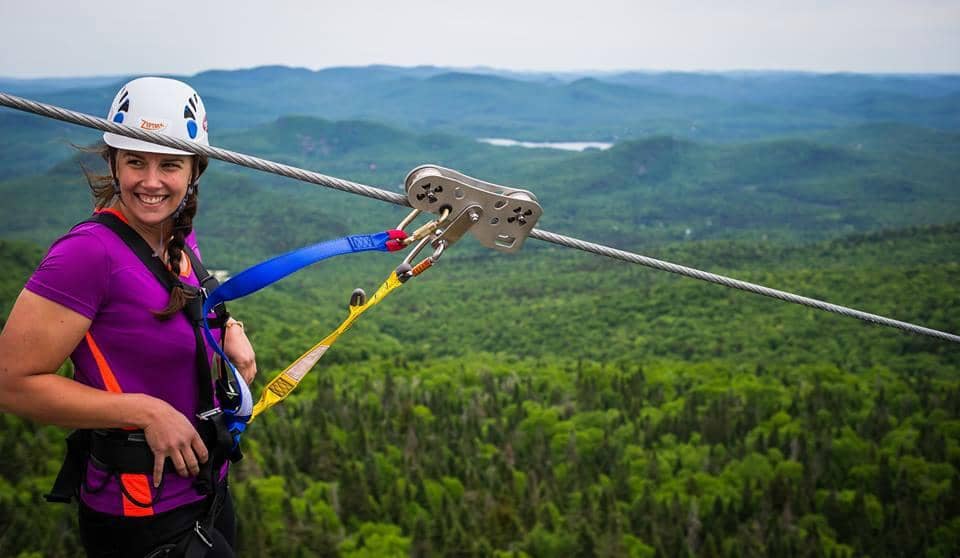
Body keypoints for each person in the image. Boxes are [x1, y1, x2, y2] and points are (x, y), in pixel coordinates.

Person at [0, 77, 257, 557]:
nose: (151, 181)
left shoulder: (174, 229)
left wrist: (229, 328)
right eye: (135, 161)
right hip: (139, 514)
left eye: (170, 165)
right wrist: (143, 410)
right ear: (113, 162)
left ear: (193, 171)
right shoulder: (87, 255)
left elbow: (185, 303)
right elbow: (10, 382)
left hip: (206, 490)